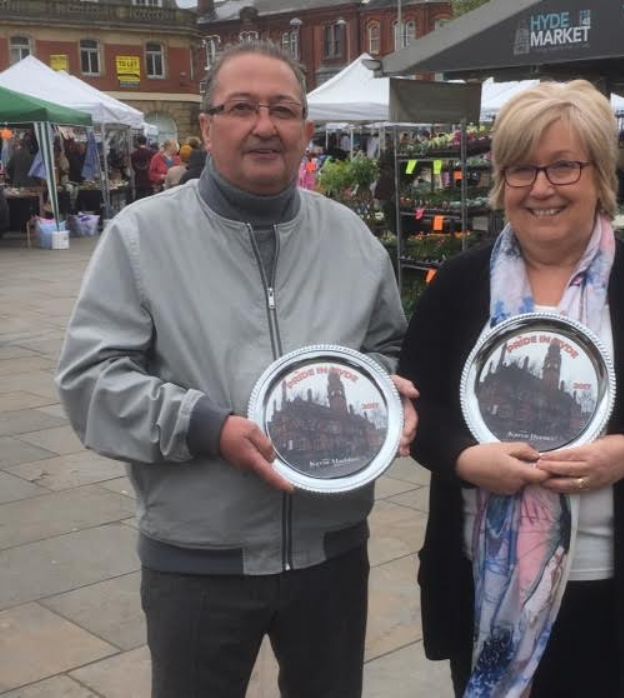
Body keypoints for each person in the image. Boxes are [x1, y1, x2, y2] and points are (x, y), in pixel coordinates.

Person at [56, 40, 417, 698]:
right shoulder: (141, 237)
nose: (264, 125)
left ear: (306, 130)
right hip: (198, 559)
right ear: (206, 127)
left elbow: (388, 344)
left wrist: (384, 393)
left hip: (331, 550)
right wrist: (206, 425)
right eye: (241, 107)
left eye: (283, 109)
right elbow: (91, 381)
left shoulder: (352, 238)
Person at [398, 81, 624, 698]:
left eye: (563, 165)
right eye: (521, 168)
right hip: (484, 578)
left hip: (607, 583)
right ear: (501, 180)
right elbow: (419, 411)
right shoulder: (457, 285)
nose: (541, 187)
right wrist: (462, 457)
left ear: (599, 176)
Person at [130, 135, 154, 200]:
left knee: (139, 198)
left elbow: (133, 167)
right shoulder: (151, 153)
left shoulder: (133, 154)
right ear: (146, 142)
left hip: (138, 179)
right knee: (149, 199)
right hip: (149, 179)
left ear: (137, 142)